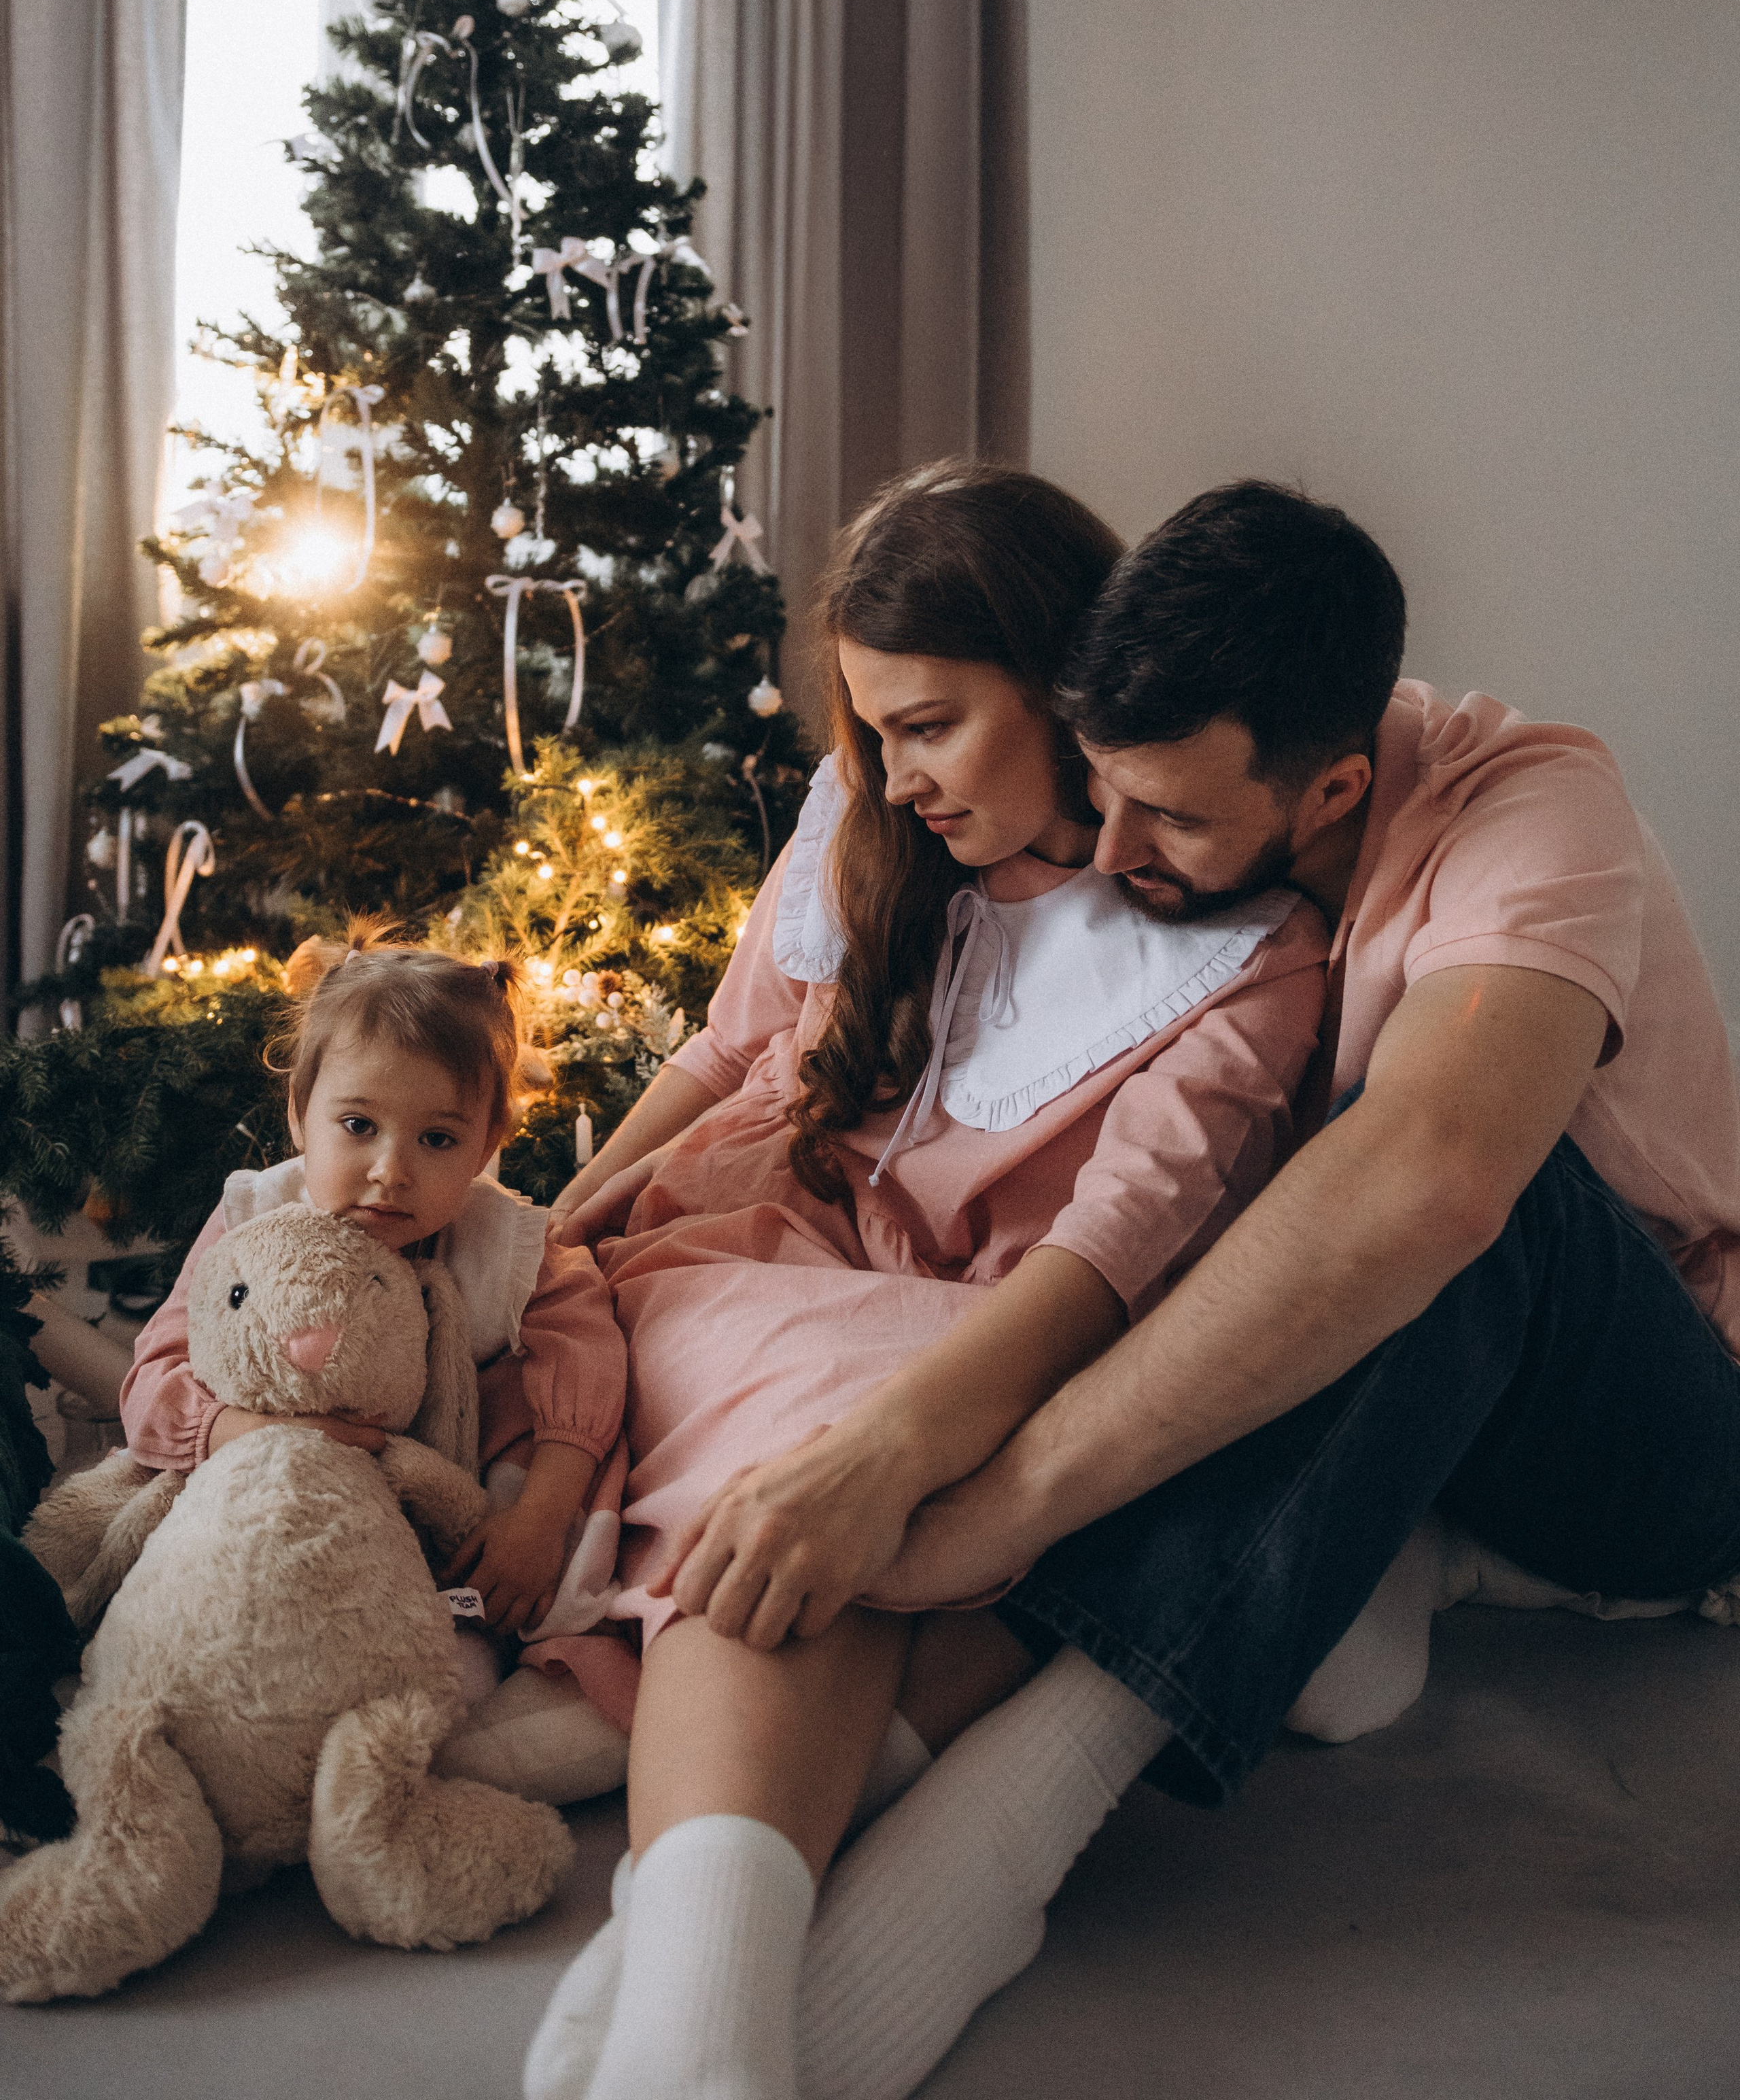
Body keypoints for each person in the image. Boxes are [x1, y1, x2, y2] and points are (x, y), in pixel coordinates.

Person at [703, 477, 1740, 2100]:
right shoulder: (1167, 789)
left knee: (1453, 1191)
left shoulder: (1532, 813)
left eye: (1170, 824)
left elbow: (1425, 1180)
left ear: (1330, 788)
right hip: (1396, 1405)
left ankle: (1010, 1821)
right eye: (1101, 796)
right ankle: (753, 1864)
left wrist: (1000, 1502)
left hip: (1653, 1434)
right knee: (1230, 1247)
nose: (1113, 857)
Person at [524, 462, 1329, 2100]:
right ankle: (706, 1997)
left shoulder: (1242, 956)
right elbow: (728, 1049)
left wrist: (889, 1440)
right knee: (786, 1449)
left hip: (983, 1332)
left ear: (1060, 686)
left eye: (932, 727)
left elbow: (1103, 1261)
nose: (894, 776)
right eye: (874, 731)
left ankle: (690, 1995)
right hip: (758, 1241)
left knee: (837, 1474)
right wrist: (559, 1222)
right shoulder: (870, 820)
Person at [120, 931, 628, 1666]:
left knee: (468, 1654)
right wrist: (254, 1432)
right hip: (272, 1501)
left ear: (488, 1144)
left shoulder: (510, 1244)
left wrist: (539, 1521)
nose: (391, 1171)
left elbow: (589, 1362)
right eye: (358, 1127)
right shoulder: (252, 1219)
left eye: (438, 1140)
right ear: (300, 1115)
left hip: (443, 1526)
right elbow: (152, 1381)